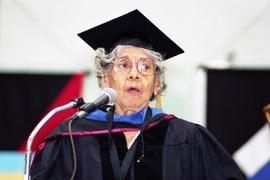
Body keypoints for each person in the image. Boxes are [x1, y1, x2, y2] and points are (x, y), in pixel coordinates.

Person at [30, 10, 244, 180]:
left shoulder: (188, 138)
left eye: (145, 66)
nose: (134, 74)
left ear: (157, 84)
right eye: (123, 65)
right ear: (106, 79)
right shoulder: (70, 138)